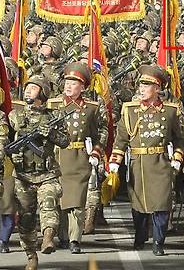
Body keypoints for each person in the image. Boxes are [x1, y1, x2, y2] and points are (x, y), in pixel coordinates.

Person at [109, 64, 184, 256]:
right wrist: (115, 160)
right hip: (138, 163)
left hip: (160, 162)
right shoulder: (130, 110)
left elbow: (179, 138)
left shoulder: (169, 111)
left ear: (157, 88)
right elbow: (121, 138)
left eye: (147, 85)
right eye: (140, 85)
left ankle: (159, 241)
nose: (142, 89)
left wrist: (177, 157)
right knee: (139, 205)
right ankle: (140, 235)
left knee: (161, 204)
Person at [8, 75, 70, 270]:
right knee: (26, 219)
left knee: (49, 204)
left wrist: (50, 133)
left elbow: (65, 141)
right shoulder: (14, 116)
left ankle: (48, 238)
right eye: (27, 88)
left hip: (47, 174)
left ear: (42, 94)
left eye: (34, 88)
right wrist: (10, 157)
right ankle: (30, 254)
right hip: (23, 176)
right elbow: (5, 142)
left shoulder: (53, 117)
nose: (28, 91)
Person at [47, 62, 108, 254]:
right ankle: (63, 235)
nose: (68, 86)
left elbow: (102, 131)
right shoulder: (53, 105)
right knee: (60, 200)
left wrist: (96, 151)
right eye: (67, 81)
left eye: (74, 83)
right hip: (57, 157)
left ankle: (75, 239)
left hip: (80, 158)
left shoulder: (91, 108)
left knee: (77, 202)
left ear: (83, 87)